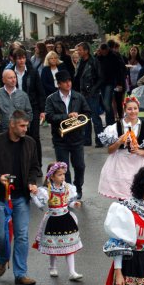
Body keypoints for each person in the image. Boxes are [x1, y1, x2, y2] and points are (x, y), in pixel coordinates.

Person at [0, 110, 39, 285]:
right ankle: (2, 258)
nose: (25, 129)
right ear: (12, 124)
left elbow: (35, 167)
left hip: (21, 197)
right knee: (0, 234)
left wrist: (31, 182)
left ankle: (21, 273)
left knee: (21, 236)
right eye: (22, 126)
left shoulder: (30, 142)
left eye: (26, 126)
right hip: (0, 196)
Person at [31, 161, 83, 281]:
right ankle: (52, 267)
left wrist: (75, 204)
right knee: (53, 245)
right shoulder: (46, 190)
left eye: (63, 174)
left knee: (69, 245)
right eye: (59, 175)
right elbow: (40, 204)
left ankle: (72, 272)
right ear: (52, 176)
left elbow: (69, 201)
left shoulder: (67, 187)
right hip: (53, 219)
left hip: (66, 218)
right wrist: (34, 195)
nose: (63, 177)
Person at [98, 96, 144, 199]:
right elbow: (110, 151)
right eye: (129, 109)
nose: (133, 111)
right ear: (125, 110)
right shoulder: (115, 128)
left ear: (138, 109)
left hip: (140, 165)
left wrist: (139, 151)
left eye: (135, 108)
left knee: (141, 196)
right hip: (121, 165)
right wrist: (119, 142)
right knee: (123, 198)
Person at [45, 70, 91, 200]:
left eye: (69, 81)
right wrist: (67, 116)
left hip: (77, 138)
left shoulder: (78, 97)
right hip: (60, 139)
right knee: (64, 168)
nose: (68, 84)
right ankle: (69, 190)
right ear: (58, 84)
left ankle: (78, 187)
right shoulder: (51, 99)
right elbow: (49, 117)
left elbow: (87, 113)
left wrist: (79, 119)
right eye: (65, 82)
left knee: (80, 166)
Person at [11, 49, 46, 174]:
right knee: (19, 136)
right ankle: (22, 166)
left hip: (33, 107)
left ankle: (37, 166)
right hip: (16, 109)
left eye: (23, 58)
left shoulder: (32, 72)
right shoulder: (11, 73)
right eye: (19, 58)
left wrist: (42, 110)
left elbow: (40, 90)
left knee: (34, 136)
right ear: (14, 59)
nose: (21, 60)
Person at [73, 42, 104, 147]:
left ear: (86, 51)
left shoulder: (94, 62)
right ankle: (87, 140)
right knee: (84, 117)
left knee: (95, 116)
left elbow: (101, 78)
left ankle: (99, 140)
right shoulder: (80, 61)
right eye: (78, 50)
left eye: (80, 50)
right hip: (80, 93)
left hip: (91, 93)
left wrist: (93, 89)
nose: (78, 52)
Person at [0, 69, 33, 133]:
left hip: (19, 132)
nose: (13, 80)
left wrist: (25, 126)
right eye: (10, 78)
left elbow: (29, 112)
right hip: (2, 132)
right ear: (3, 80)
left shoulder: (23, 95)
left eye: (14, 77)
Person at [97, 43, 124, 127]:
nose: (103, 53)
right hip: (102, 82)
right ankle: (110, 120)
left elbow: (118, 71)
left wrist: (119, 83)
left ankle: (110, 121)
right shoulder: (99, 56)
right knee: (106, 103)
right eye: (102, 52)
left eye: (104, 52)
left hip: (110, 82)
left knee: (107, 102)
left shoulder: (113, 56)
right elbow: (97, 66)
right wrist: (98, 56)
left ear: (107, 50)